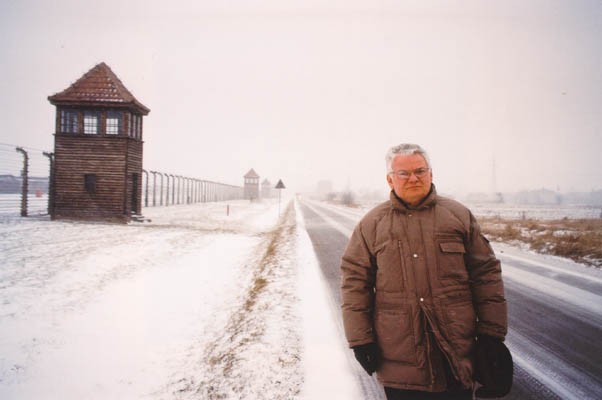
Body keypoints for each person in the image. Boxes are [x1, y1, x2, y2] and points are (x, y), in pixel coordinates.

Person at [340, 144, 509, 399]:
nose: (414, 178)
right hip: (400, 361)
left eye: (420, 171)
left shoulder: (458, 216)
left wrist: (491, 334)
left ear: (431, 173)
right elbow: (355, 284)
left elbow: (486, 275)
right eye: (404, 173)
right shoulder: (371, 225)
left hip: (456, 353)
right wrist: (361, 340)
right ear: (390, 179)